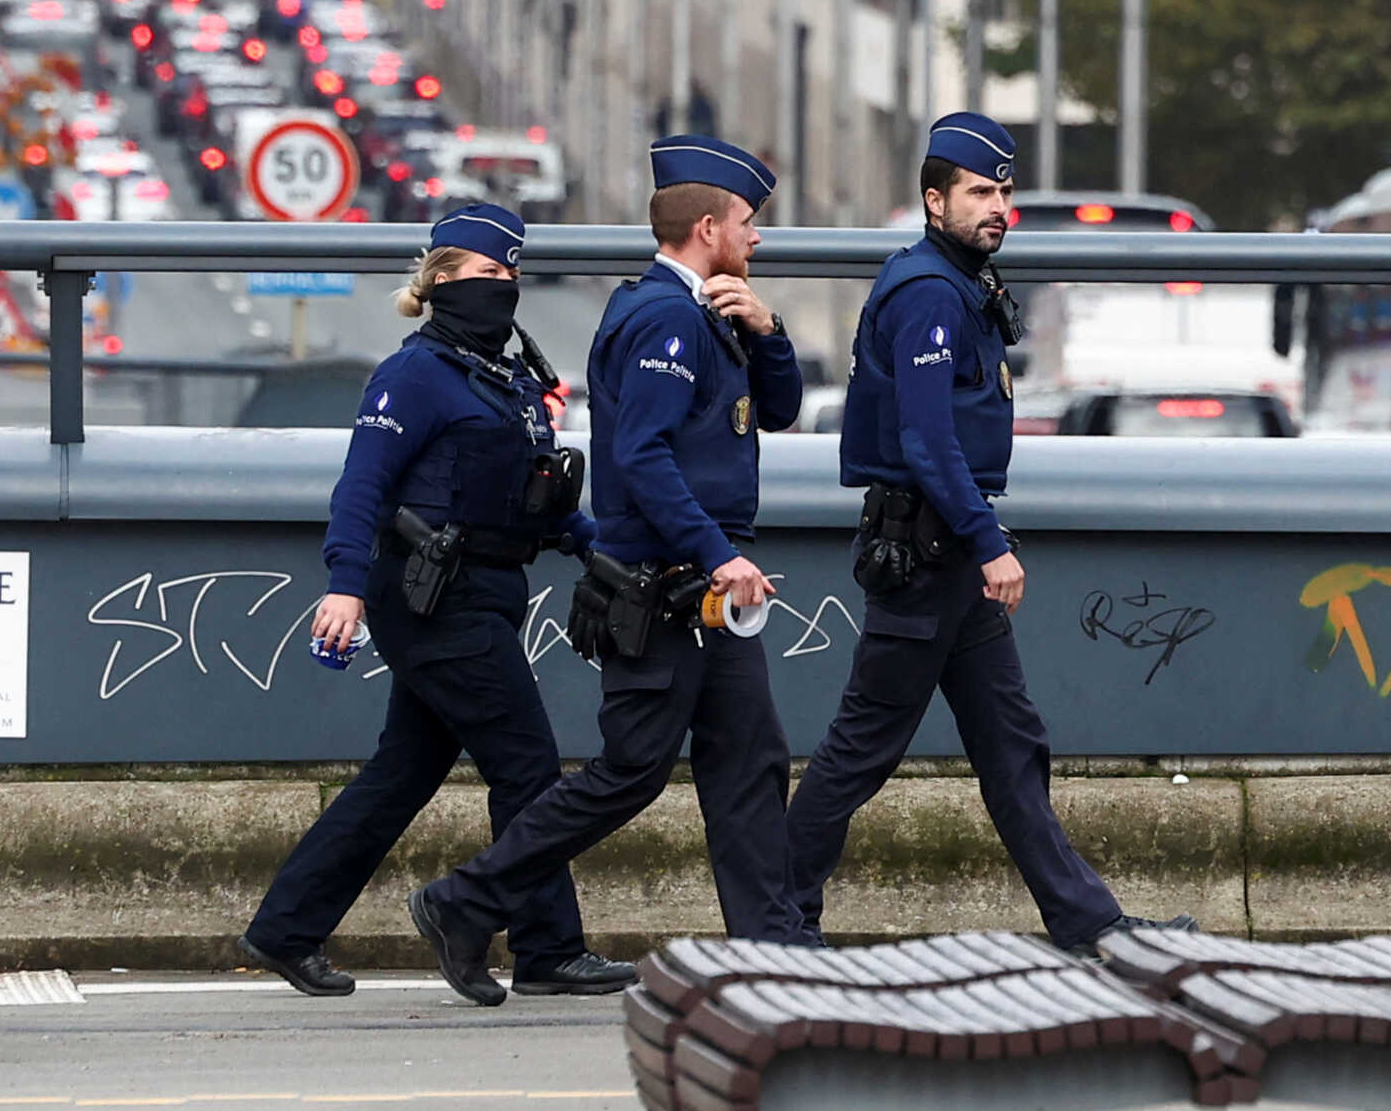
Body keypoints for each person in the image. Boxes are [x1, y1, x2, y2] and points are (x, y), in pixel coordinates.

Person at [785, 113, 1196, 958]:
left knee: (1012, 747)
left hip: (948, 558)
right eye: (978, 192)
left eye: (1004, 192)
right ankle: (775, 919)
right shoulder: (930, 292)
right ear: (935, 202)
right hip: (929, 554)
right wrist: (989, 542)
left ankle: (1087, 923)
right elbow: (925, 441)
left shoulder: (961, 283)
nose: (996, 206)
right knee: (860, 753)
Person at [409, 137, 808, 1004]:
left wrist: (768, 331)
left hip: (702, 583)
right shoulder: (663, 319)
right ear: (709, 227)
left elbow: (776, 411)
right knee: (629, 772)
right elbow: (643, 454)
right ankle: (463, 901)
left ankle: (773, 950)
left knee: (750, 760)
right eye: (748, 224)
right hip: (667, 584)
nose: (758, 239)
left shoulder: (708, 310)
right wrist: (720, 555)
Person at [240, 206, 633, 1000]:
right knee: (525, 766)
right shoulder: (413, 374)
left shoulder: (511, 378)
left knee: (402, 771)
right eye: (489, 274)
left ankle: (286, 928)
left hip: (491, 589)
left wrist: (604, 554)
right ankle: (545, 947)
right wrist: (345, 585)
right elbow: (363, 486)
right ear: (444, 278)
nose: (505, 288)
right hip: (431, 597)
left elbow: (536, 501)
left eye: (512, 275)